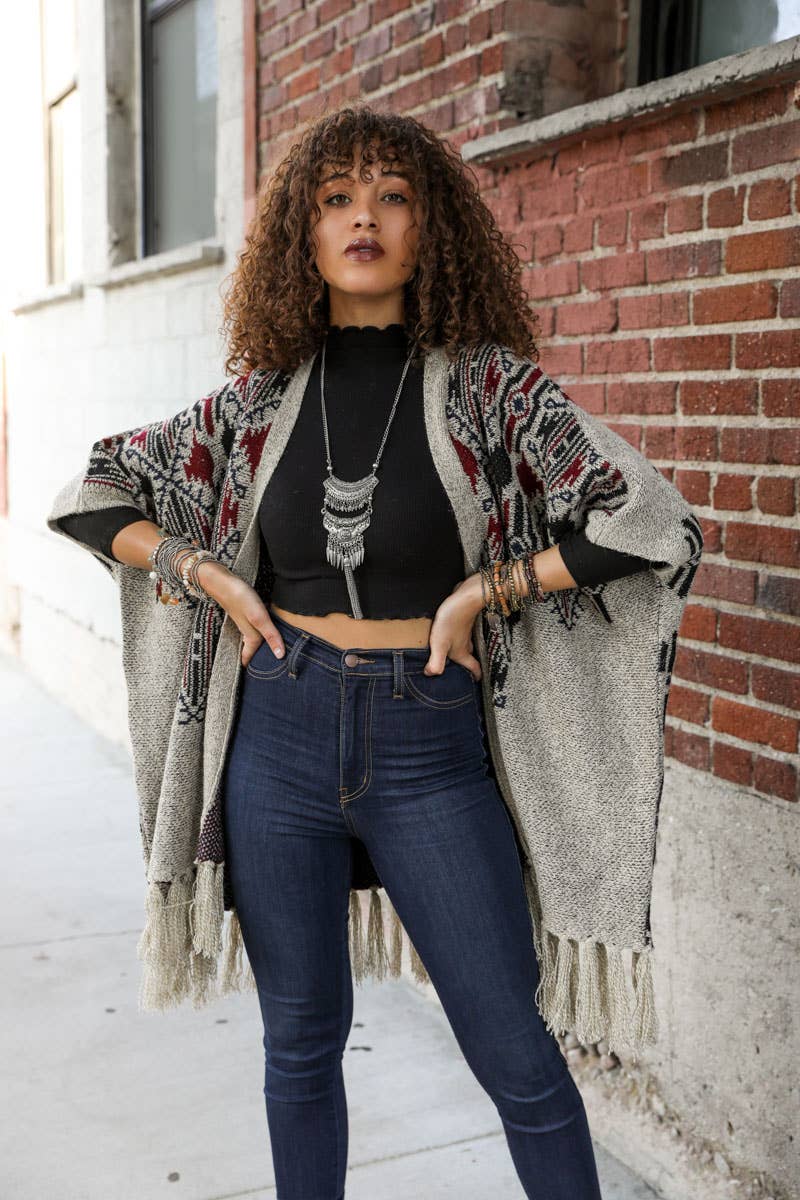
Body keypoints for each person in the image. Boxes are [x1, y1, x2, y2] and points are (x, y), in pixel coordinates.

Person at [50, 105, 703, 1200]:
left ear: (428, 228)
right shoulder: (257, 406)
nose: (364, 218)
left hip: (428, 741)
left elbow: (650, 524)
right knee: (299, 1045)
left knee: (514, 1052)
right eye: (336, 198)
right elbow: (93, 494)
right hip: (280, 735)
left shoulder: (493, 393)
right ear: (300, 236)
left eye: (391, 197)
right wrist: (202, 570)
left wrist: (484, 594)